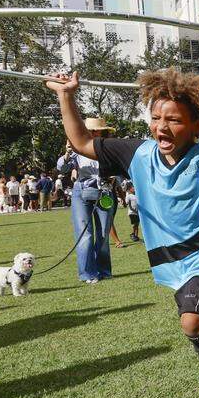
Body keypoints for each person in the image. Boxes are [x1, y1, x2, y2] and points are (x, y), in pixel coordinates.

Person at [44, 60, 199, 398]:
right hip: (170, 259)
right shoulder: (137, 153)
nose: (162, 126)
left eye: (174, 120)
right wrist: (66, 97)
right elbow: (81, 141)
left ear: (195, 126)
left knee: (192, 320)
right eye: (157, 118)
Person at [56, 117, 119, 283]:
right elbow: (61, 168)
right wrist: (68, 152)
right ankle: (87, 273)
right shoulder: (77, 149)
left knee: (103, 234)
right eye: (90, 130)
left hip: (104, 193)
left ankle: (104, 270)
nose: (93, 133)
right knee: (85, 235)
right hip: (81, 192)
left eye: (96, 130)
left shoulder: (109, 149)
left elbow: (120, 169)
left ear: (102, 131)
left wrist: (114, 176)